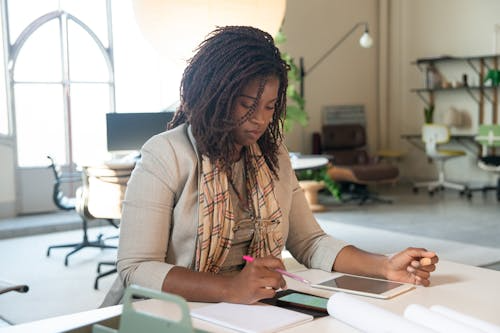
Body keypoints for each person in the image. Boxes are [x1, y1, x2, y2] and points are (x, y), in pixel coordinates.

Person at [102, 26, 438, 306]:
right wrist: (230, 288)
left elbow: (310, 242)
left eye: (268, 107)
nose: (260, 120)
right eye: (247, 105)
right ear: (213, 95)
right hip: (162, 311)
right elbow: (136, 267)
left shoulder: (272, 156)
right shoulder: (166, 155)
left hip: (249, 307)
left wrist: (384, 265)